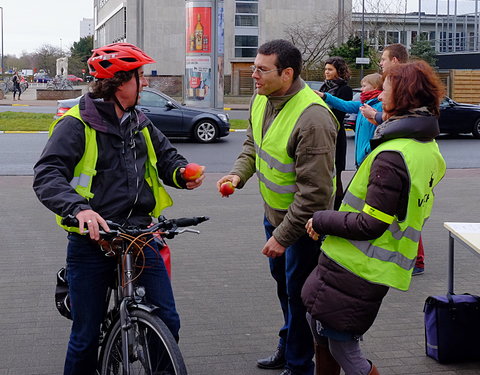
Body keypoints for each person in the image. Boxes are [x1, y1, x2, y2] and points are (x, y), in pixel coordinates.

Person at [33, 42, 205, 375]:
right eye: (140, 76)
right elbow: (47, 175)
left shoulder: (139, 120)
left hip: (140, 236)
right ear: (119, 82)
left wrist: (182, 174)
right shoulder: (75, 124)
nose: (145, 83)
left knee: (167, 319)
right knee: (85, 336)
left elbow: (168, 157)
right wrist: (79, 210)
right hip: (91, 241)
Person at [301, 60, 446, 375]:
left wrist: (322, 219)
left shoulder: (392, 155)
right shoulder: (426, 147)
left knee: (342, 345)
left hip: (357, 264)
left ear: (403, 97)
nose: (381, 97)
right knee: (323, 333)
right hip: (374, 263)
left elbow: (371, 223)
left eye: (388, 90)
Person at [216, 39, 337, 375]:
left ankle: (299, 366)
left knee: (299, 298)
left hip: (302, 228)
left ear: (287, 73)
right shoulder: (262, 98)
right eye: (254, 67)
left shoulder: (313, 118)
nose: (253, 75)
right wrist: (237, 176)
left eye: (261, 69)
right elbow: (253, 145)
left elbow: (314, 194)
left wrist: (283, 236)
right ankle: (288, 348)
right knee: (285, 290)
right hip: (274, 215)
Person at [360, 44, 425, 276]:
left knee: (405, 213)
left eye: (384, 59)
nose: (381, 63)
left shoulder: (406, 85)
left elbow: (399, 119)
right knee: (404, 213)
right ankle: (410, 259)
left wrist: (376, 116)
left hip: (402, 162)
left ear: (396, 60)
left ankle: (415, 261)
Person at [318, 73, 383, 167]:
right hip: (362, 159)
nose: (361, 89)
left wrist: (368, 150)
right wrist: (325, 96)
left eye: (364, 86)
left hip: (370, 158)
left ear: (375, 87)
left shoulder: (381, 106)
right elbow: (344, 105)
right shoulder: (363, 104)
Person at [318, 57, 353, 209]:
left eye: (330, 69)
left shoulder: (344, 89)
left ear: (339, 71)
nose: (326, 72)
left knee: (336, 174)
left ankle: (338, 208)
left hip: (336, 134)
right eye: (325, 69)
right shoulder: (324, 87)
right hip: (322, 134)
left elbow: (339, 111)